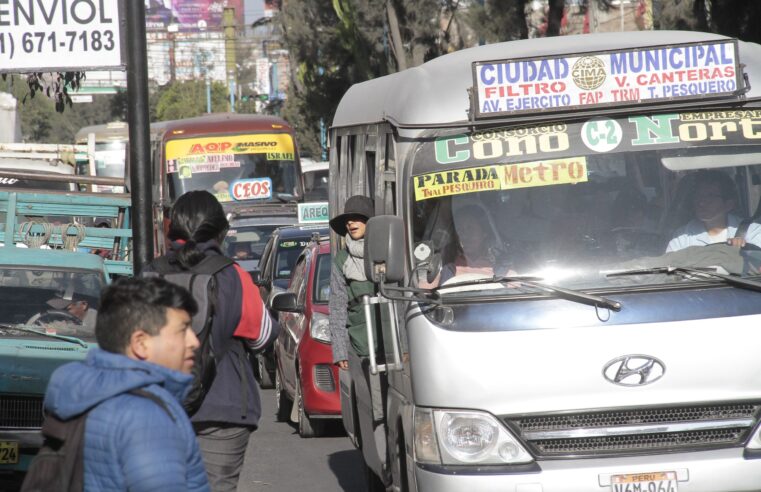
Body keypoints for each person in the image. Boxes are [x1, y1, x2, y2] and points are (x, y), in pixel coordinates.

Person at [144, 190, 277, 492]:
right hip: (224, 409)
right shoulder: (234, 276)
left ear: (172, 228)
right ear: (221, 231)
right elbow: (263, 337)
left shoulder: (149, 275)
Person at [42, 276, 210, 491]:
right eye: (182, 330)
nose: (194, 342)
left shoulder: (84, 392)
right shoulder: (147, 417)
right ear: (140, 344)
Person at [328, 195, 376, 370]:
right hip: (361, 348)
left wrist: (406, 345)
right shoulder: (342, 260)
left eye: (356, 218)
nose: (350, 223)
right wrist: (340, 351)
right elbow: (337, 307)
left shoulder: (387, 249)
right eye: (348, 220)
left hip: (392, 343)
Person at [666, 170, 761, 252]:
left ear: (729, 204)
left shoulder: (752, 231)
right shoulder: (682, 237)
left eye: (710, 196)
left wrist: (746, 251)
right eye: (699, 196)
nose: (701, 202)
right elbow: (670, 269)